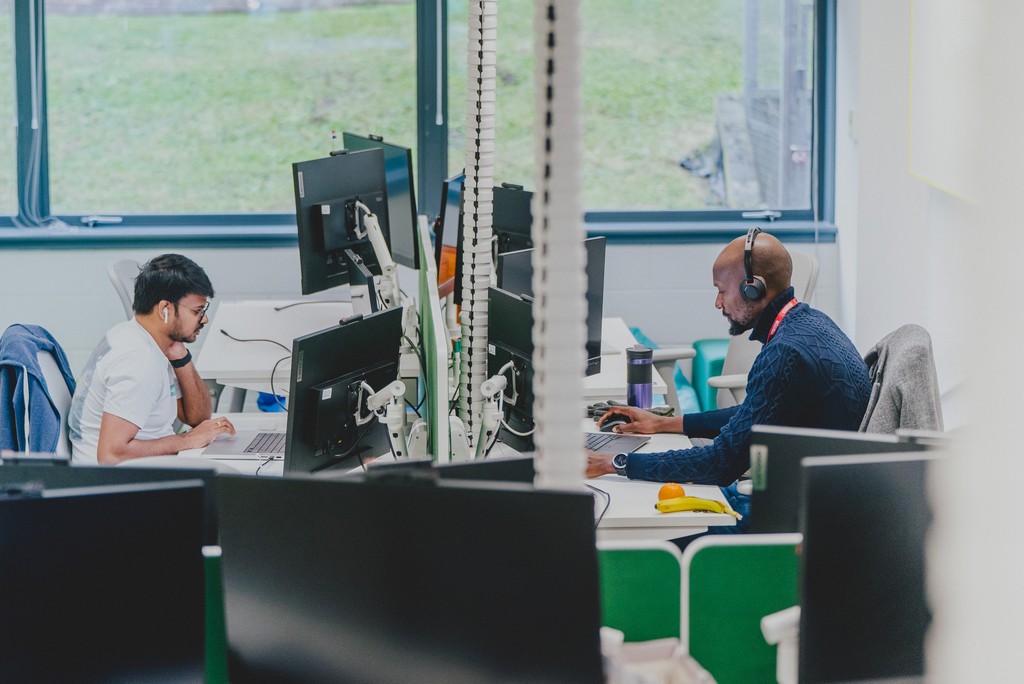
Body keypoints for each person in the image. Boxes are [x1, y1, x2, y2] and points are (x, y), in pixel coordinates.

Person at [586, 229, 871, 531]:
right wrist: (662, 423)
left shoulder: (786, 353)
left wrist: (613, 463)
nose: (717, 303)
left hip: (795, 523)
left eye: (722, 290)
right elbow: (758, 414)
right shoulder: (814, 323)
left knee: (650, 539)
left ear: (753, 289)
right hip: (819, 500)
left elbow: (720, 463)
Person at [69, 254, 236, 464]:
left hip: (141, 472)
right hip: (119, 487)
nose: (204, 319)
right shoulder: (138, 361)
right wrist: (188, 440)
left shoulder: (146, 339)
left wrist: (181, 359)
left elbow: (197, 418)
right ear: (165, 309)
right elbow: (111, 455)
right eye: (197, 311)